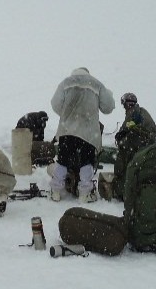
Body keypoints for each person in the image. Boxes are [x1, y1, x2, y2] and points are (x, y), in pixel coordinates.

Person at [49, 67, 115, 203]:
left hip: (67, 129)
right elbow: (108, 107)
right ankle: (84, 194)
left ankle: (55, 191)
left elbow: (55, 104)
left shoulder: (66, 82)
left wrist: (67, 115)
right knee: (86, 161)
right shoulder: (96, 84)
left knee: (62, 160)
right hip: (88, 131)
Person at [112, 92, 156, 201]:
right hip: (151, 145)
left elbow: (129, 134)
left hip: (141, 143)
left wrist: (120, 139)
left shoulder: (133, 113)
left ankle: (122, 190)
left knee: (123, 157)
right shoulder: (142, 111)